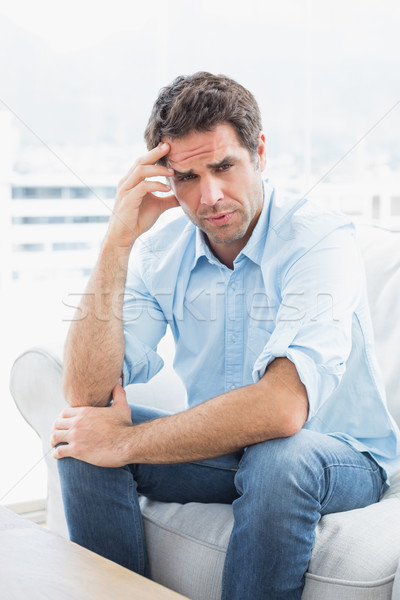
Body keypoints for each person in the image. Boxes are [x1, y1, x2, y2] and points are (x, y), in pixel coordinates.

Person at [52, 72, 400, 600]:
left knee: (279, 456)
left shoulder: (317, 239)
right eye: (187, 177)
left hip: (340, 457)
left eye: (222, 166)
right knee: (80, 437)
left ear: (258, 151)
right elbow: (85, 391)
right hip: (228, 451)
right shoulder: (160, 249)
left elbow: (283, 410)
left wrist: (124, 442)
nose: (209, 196)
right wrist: (118, 239)